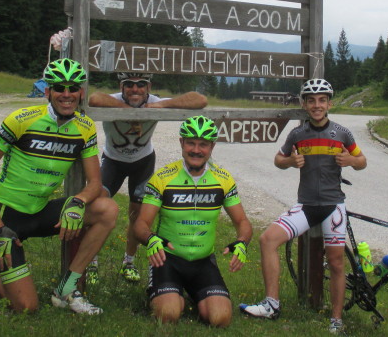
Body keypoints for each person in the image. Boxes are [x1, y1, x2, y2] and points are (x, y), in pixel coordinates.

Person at [0, 58, 118, 314]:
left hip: (40, 211)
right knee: (25, 307)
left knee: (107, 209)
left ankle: (66, 289)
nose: (66, 94)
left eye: (73, 88)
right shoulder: (21, 120)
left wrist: (77, 203)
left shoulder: (85, 127)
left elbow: (95, 183)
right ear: (48, 92)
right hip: (6, 215)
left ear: (81, 92)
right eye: (59, 88)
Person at [239, 78, 367, 334]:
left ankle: (336, 319)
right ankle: (271, 304)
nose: (317, 105)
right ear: (304, 105)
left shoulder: (342, 133)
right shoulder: (298, 134)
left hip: (333, 206)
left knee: (336, 262)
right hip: (306, 206)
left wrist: (351, 161)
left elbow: (362, 160)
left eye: (322, 100)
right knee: (267, 240)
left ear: (329, 104)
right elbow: (279, 159)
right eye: (311, 101)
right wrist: (290, 162)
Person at [134, 115, 252, 327]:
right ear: (181, 143)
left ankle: (191, 294)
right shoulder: (163, 178)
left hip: (203, 262)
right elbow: (141, 224)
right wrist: (150, 239)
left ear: (212, 146)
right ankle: (170, 294)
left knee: (220, 319)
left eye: (203, 144)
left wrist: (242, 241)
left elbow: (242, 220)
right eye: (191, 143)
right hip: (167, 260)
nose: (196, 150)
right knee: (168, 314)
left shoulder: (223, 179)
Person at [88, 73, 207, 283]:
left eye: (141, 85)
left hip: (142, 161)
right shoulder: (114, 99)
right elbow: (94, 98)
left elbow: (200, 100)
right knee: (97, 207)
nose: (135, 89)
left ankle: (129, 262)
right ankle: (91, 263)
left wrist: (159, 106)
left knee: (137, 215)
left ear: (149, 87)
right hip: (113, 161)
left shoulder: (154, 101)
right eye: (129, 85)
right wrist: (131, 112)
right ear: (121, 87)